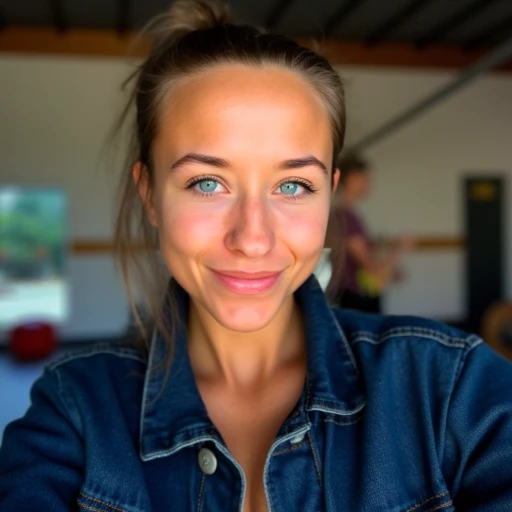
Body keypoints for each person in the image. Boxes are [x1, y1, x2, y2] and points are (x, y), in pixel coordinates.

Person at [1, 1, 512, 510]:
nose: (253, 237)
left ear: (329, 194)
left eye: (293, 185)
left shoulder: (451, 393)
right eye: (207, 183)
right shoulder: (75, 414)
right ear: (151, 193)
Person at [326, 152, 414, 313]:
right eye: (365, 178)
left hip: (352, 297)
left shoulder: (344, 215)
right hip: (356, 300)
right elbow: (373, 270)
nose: (369, 183)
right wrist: (399, 249)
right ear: (352, 178)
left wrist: (390, 271)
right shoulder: (346, 217)